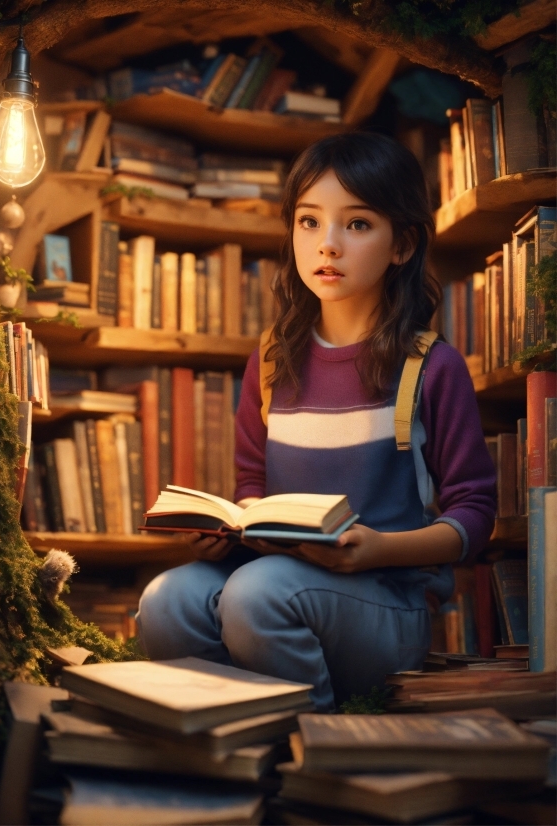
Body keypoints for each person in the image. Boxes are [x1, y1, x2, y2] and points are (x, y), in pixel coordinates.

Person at [137, 132, 496, 711]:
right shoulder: (273, 360)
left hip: (385, 605)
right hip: (277, 579)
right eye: (309, 222)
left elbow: (475, 516)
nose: (327, 245)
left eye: (356, 224)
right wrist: (226, 533)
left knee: (256, 595)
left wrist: (378, 550)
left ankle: (315, 749)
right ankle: (222, 752)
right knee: (166, 599)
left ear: (401, 244)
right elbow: (251, 488)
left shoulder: (430, 366)